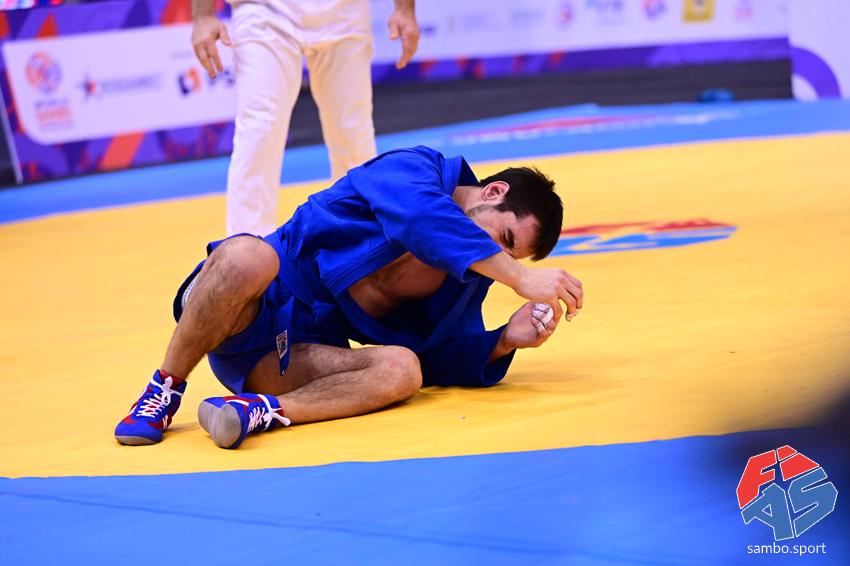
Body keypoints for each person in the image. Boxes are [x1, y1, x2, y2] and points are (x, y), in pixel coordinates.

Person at [115, 146, 584, 449]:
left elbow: (437, 356)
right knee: (246, 256)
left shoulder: (469, 275)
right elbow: (420, 219)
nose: (497, 256)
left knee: (403, 369)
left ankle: (259, 413)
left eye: (509, 253)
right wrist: (518, 275)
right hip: (239, 307)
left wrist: (504, 340)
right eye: (504, 237)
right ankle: (164, 389)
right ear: (493, 191)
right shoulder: (415, 169)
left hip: (287, 362)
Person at [191, 0, 420, 237]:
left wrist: (404, 10)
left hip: (345, 11)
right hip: (264, 9)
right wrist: (203, 16)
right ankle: (246, 247)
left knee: (353, 135)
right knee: (259, 133)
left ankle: (363, 242)